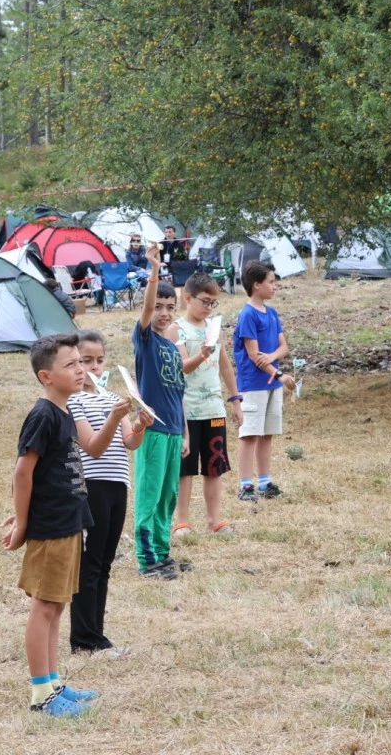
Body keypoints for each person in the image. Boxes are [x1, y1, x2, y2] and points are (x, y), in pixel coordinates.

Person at [1, 333, 99, 718]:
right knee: (44, 608)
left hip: (70, 520)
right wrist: (22, 521)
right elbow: (23, 471)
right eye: (71, 364)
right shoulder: (43, 415)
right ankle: (41, 694)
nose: (81, 369)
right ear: (46, 376)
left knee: (57, 606)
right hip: (51, 525)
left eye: (81, 362)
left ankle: (54, 682)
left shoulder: (66, 412)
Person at [67, 330, 151, 655]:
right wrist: (116, 417)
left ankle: (97, 635)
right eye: (85, 361)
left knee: (104, 562)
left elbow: (129, 443)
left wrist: (140, 425)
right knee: (89, 562)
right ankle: (85, 638)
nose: (93, 367)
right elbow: (95, 448)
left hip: (118, 484)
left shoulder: (111, 397)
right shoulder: (73, 401)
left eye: (99, 360)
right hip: (91, 486)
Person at [170, 272, 243, 535]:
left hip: (213, 409)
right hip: (187, 409)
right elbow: (181, 369)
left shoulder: (214, 328)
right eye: (205, 301)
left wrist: (235, 400)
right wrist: (201, 355)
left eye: (213, 303)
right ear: (187, 298)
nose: (209, 307)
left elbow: (225, 366)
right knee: (185, 468)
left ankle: (214, 519)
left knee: (215, 465)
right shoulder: (176, 329)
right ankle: (182, 521)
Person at [132, 244, 189, 578]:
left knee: (168, 496)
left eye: (170, 307)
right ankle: (147, 559)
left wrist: (183, 432)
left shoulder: (170, 346)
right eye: (159, 307)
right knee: (150, 496)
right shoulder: (146, 341)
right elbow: (146, 306)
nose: (164, 313)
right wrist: (154, 271)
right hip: (152, 432)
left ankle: (162, 553)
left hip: (172, 433)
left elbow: (178, 391)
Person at [232, 260, 297, 501]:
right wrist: (279, 373)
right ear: (256, 285)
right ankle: (246, 485)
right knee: (250, 434)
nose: (275, 286)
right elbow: (253, 355)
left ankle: (265, 481)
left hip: (272, 385)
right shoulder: (248, 314)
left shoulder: (272, 313)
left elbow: (284, 347)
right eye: (271, 282)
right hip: (253, 385)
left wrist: (272, 358)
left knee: (267, 433)